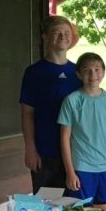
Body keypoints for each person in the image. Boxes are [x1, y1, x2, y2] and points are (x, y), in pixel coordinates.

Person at [19, 15, 81, 192]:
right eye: (56, 33)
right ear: (45, 36)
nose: (62, 37)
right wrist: (30, 148)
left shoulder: (78, 72)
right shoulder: (34, 72)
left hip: (76, 152)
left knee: (75, 207)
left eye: (67, 33)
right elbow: (27, 113)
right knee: (47, 206)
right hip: (45, 151)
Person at [57, 53, 106, 210]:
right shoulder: (72, 100)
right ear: (79, 74)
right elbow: (64, 139)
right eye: (87, 70)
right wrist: (70, 172)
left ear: (103, 72)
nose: (93, 75)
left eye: (97, 69)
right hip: (81, 167)